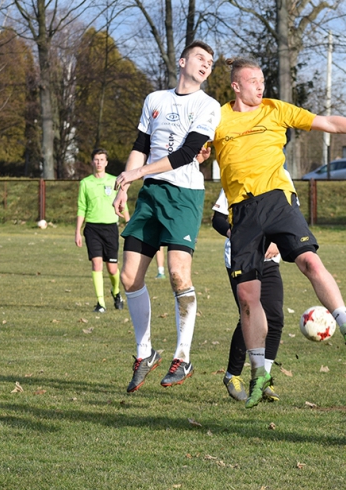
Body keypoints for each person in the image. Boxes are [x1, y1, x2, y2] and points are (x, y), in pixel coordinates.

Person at [209, 57, 346, 408]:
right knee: (249, 299)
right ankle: (257, 373)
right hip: (242, 211)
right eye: (253, 81)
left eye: (262, 80)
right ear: (236, 86)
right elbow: (194, 149)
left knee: (309, 261)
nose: (260, 86)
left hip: (279, 201)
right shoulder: (217, 118)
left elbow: (326, 122)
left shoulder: (275, 109)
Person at [112, 40, 221, 392]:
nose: (207, 64)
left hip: (183, 195)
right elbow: (140, 146)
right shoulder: (154, 99)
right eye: (201, 58)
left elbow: (189, 152)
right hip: (150, 194)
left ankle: (183, 356)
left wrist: (137, 173)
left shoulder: (208, 105)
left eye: (211, 62)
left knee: (177, 273)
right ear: (182, 60)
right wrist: (124, 186)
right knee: (129, 277)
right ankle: (145, 353)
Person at [212, 189, 283, 402]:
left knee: (274, 317)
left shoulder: (279, 182)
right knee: (250, 315)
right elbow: (218, 220)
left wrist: (279, 242)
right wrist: (240, 236)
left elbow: (287, 222)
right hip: (241, 256)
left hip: (269, 261)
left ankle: (263, 376)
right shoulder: (236, 180)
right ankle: (232, 375)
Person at [75, 149, 130, 313]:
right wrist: (77, 231)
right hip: (92, 228)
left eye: (102, 159)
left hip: (111, 228)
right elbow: (81, 207)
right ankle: (100, 303)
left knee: (112, 268)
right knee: (96, 263)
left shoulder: (115, 181)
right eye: (96, 159)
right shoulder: (85, 183)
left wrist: (129, 222)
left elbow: (123, 204)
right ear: (92, 162)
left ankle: (116, 292)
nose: (99, 162)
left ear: (106, 162)